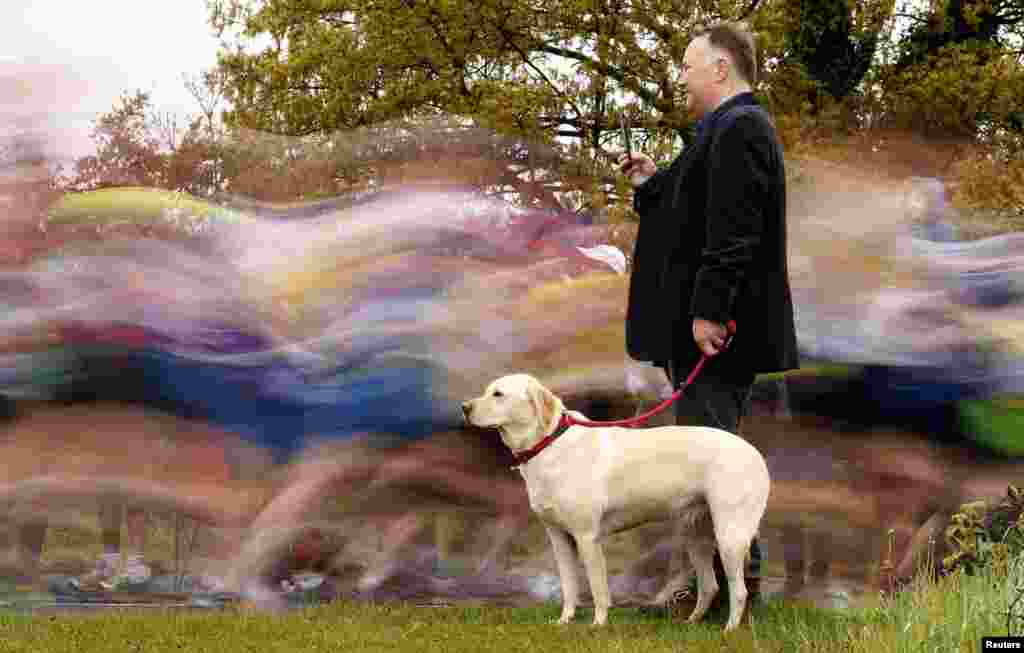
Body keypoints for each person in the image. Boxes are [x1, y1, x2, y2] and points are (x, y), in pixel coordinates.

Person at [619, 21, 800, 603]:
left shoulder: (740, 127)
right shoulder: (718, 130)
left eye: (688, 66)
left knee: (710, 463)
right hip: (704, 328)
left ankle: (724, 587)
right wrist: (652, 182)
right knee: (707, 458)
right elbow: (687, 214)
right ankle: (715, 585)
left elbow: (736, 232)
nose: (682, 76)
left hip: (715, 333)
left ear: (721, 67)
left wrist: (709, 312)